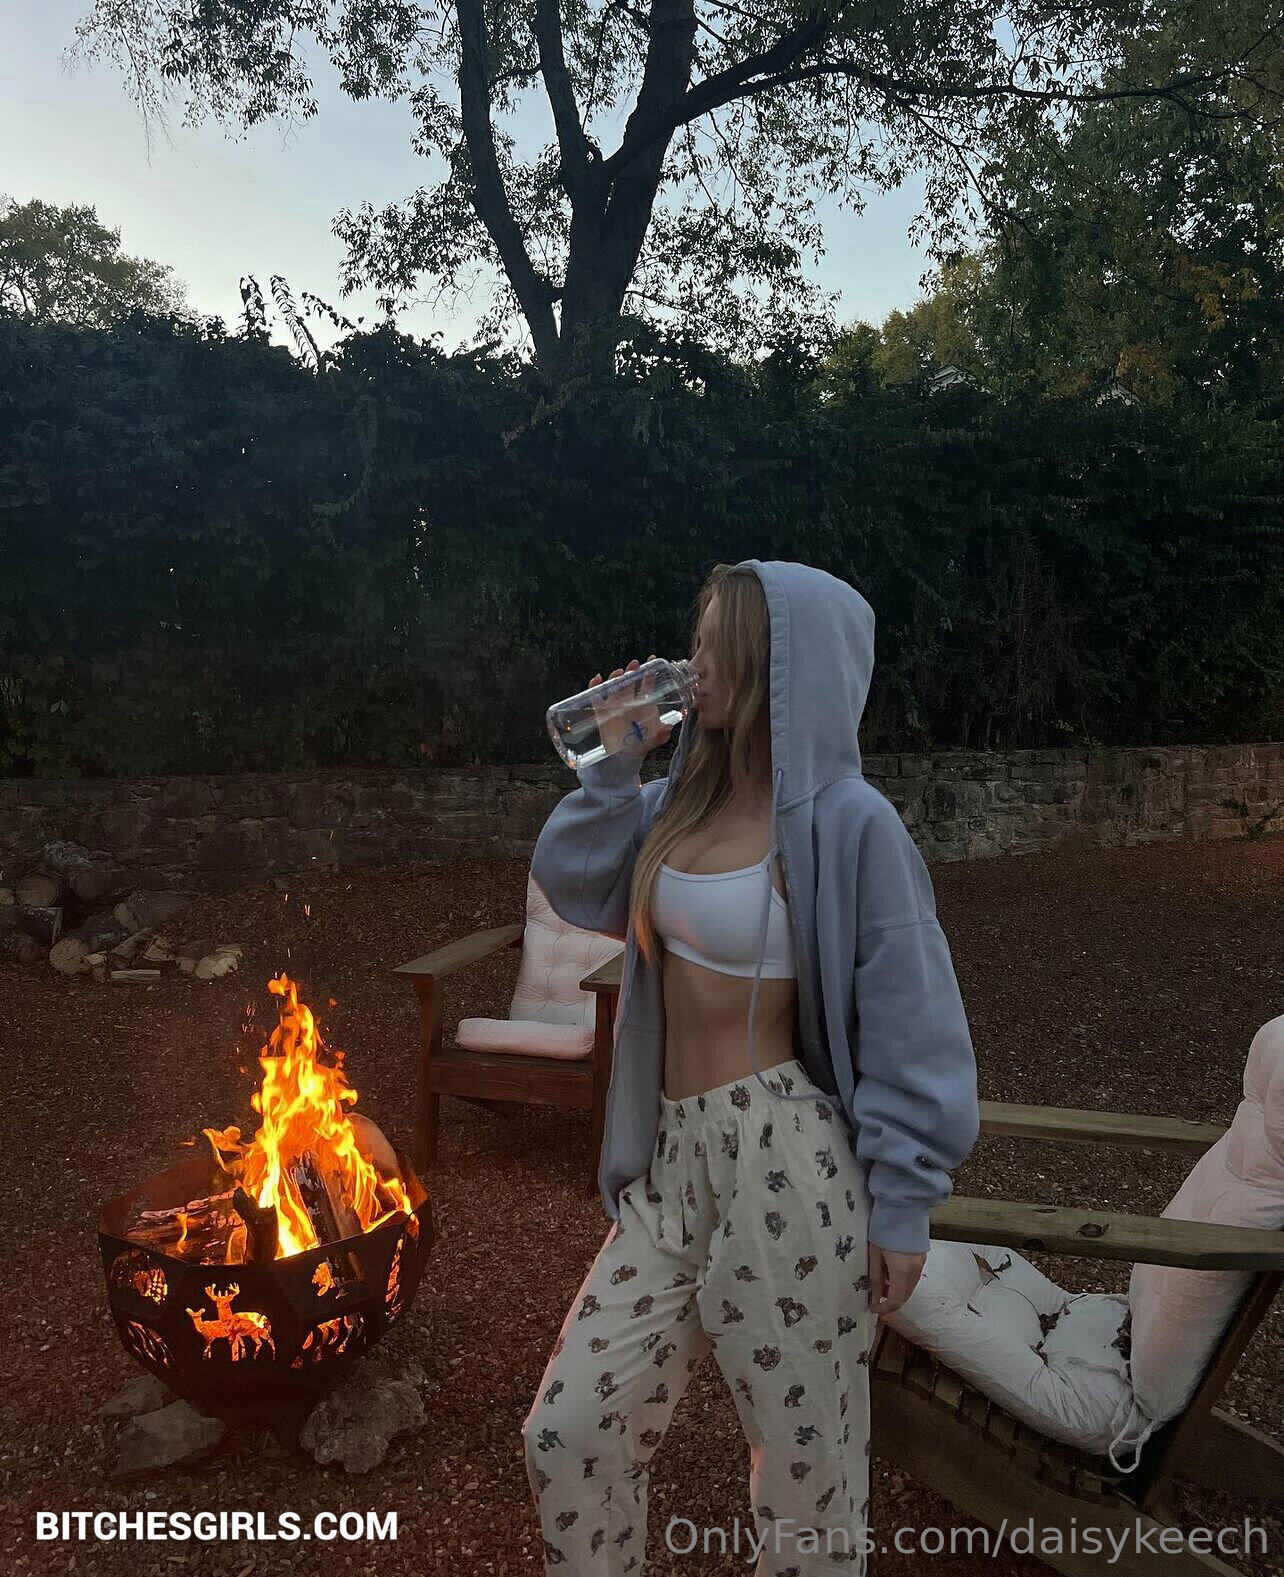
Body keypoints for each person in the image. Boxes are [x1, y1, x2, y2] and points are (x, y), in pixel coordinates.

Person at [524, 560, 980, 1576]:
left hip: (787, 1162)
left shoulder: (850, 822)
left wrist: (905, 1202)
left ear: (780, 664)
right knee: (570, 1427)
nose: (692, 661)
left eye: (716, 641)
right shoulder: (678, 803)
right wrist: (612, 769)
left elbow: (912, 1017)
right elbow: (575, 882)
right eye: (696, 637)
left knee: (806, 1482)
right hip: (670, 1161)